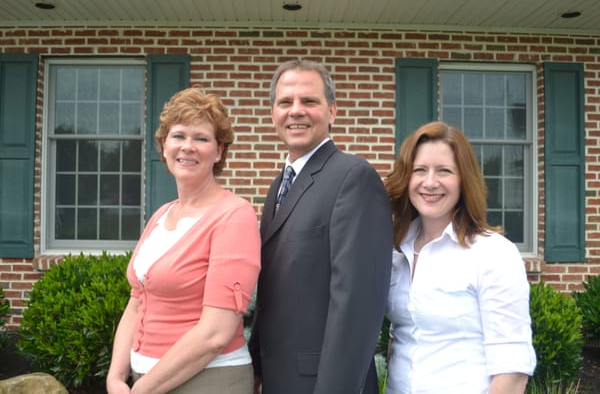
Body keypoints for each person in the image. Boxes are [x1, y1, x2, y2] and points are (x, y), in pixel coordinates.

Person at [248, 59, 393, 394]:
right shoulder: (277, 188)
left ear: (332, 111)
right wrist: (256, 365)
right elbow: (272, 293)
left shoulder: (353, 178)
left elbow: (357, 305)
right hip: (277, 379)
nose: (296, 111)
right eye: (285, 102)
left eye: (309, 101)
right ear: (273, 114)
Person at [106, 87, 261, 394]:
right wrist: (115, 377)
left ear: (218, 151)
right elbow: (137, 301)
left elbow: (216, 333)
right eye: (178, 136)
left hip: (209, 381)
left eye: (201, 138)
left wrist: (142, 389)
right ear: (164, 146)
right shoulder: (161, 216)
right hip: (146, 382)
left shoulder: (233, 216)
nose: (187, 147)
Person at [384, 121, 536, 393]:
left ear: (464, 179)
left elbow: (512, 370)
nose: (430, 182)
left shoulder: (493, 253)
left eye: (444, 171)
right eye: (420, 170)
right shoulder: (397, 251)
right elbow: (401, 339)